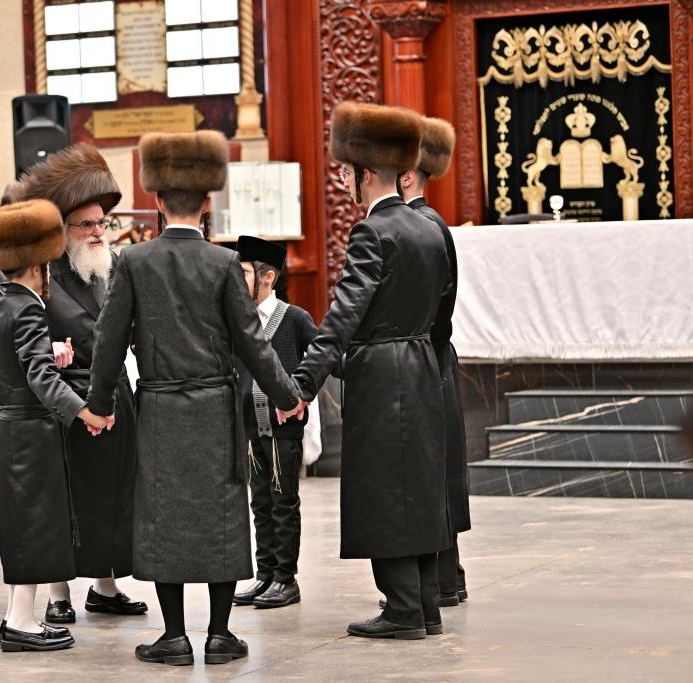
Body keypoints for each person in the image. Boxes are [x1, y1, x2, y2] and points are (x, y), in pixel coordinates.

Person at [86, 130, 303, 666]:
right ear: (207, 202)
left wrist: (100, 405)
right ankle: (221, 635)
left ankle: (174, 636)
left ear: (158, 200)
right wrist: (287, 394)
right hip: (215, 409)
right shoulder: (224, 263)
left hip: (160, 409)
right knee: (221, 513)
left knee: (164, 515)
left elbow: (108, 341)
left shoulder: (133, 262)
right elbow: (252, 342)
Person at [288, 103, 451, 640]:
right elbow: (444, 311)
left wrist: (303, 383)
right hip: (423, 365)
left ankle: (402, 609)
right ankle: (424, 606)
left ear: (364, 174)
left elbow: (342, 316)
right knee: (418, 485)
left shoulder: (372, 232)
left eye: (346, 172)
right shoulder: (429, 228)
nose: (344, 182)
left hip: (384, 373)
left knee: (386, 489)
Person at [8, 144, 145, 624]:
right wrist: (51, 350)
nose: (98, 232)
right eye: (86, 225)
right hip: (69, 401)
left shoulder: (111, 266)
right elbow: (22, 336)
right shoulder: (43, 274)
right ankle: (58, 592)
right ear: (64, 229)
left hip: (114, 395)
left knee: (113, 496)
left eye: (102, 223)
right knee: (68, 500)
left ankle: (105, 587)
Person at [0, 197, 111, 652]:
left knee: (20, 524)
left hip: (6, 428)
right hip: (32, 432)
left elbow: (15, 357)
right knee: (35, 526)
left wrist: (46, 353)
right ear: (38, 264)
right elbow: (40, 376)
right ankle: (19, 623)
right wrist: (84, 411)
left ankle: (18, 616)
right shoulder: (30, 307)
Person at [397, 116, 469, 608]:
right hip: (434, 353)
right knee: (438, 468)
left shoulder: (417, 226)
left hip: (425, 357)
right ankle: (448, 576)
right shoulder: (432, 222)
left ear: (406, 176)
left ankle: (443, 579)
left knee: (430, 469)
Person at [231, 236, 318, 610]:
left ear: (267, 277)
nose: (235, 281)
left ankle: (286, 579)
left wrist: (302, 393)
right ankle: (265, 574)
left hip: (284, 428)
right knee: (260, 503)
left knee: (284, 502)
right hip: (250, 427)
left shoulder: (295, 318)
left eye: (243, 273)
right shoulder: (237, 321)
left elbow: (323, 359)